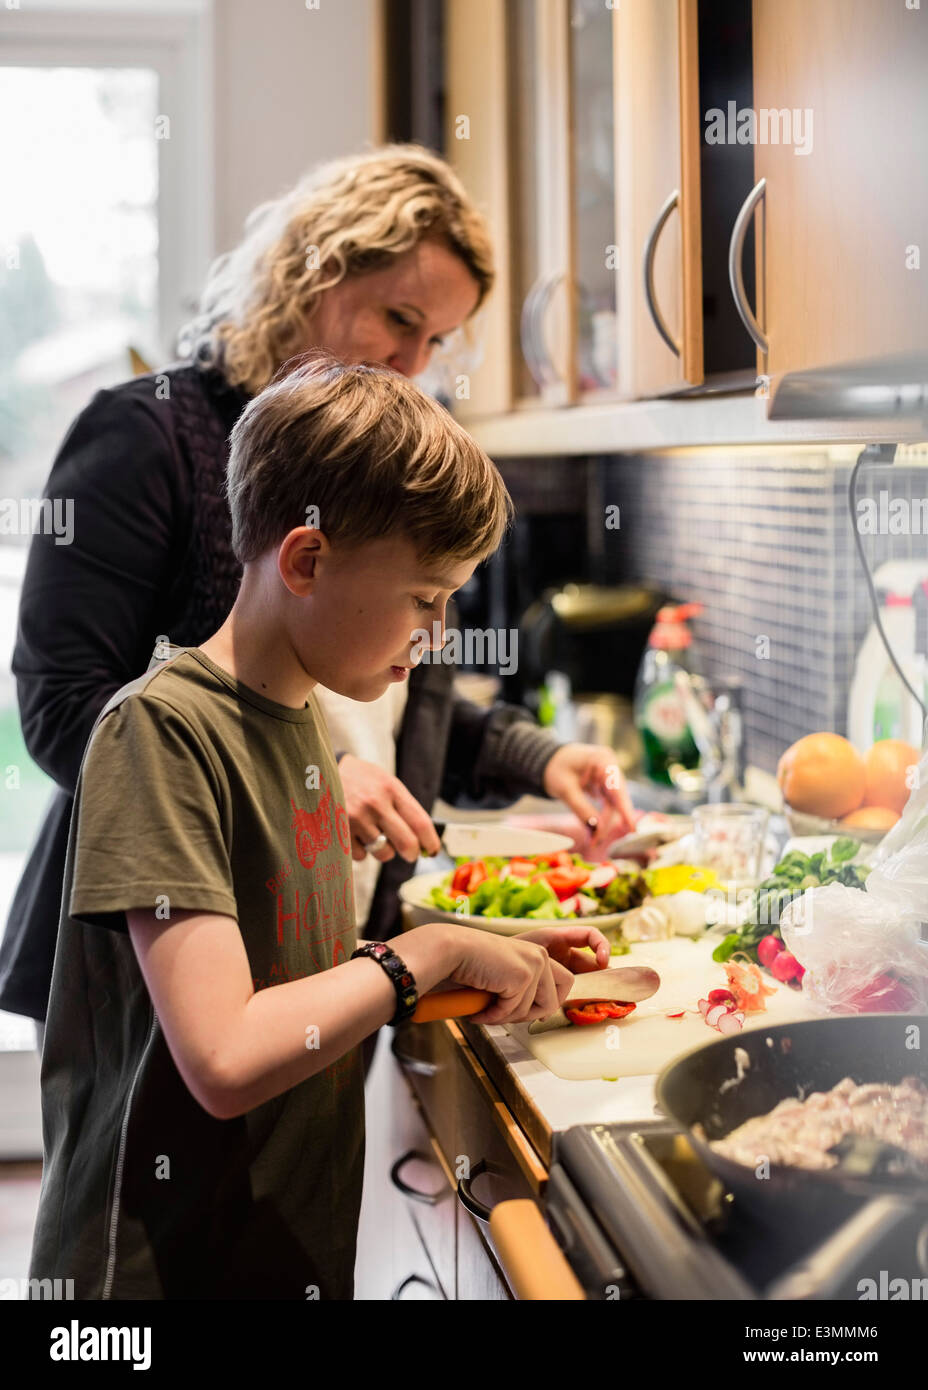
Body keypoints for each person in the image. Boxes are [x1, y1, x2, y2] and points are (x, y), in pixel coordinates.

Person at [0, 143, 634, 1048]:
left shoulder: (380, 467)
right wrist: (313, 784)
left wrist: (540, 759)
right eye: (398, 318)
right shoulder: (148, 436)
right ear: (311, 275)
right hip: (161, 957)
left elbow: (388, 710)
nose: (415, 362)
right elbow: (67, 707)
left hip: (314, 944)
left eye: (437, 340)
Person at [27, 355, 613, 1300]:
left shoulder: (299, 718)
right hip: (152, 1280)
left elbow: (286, 972)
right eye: (424, 598)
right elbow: (224, 1056)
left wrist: (470, 947)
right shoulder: (159, 733)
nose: (437, 631)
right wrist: (419, 962)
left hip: (277, 1249)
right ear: (305, 561)